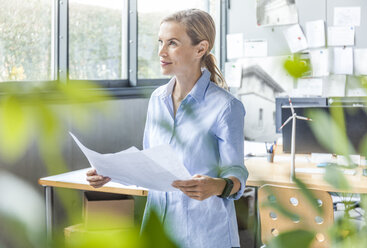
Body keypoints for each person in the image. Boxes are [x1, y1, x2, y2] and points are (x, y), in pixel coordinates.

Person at [86, 9, 248, 248]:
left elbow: (237, 174)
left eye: (172, 43)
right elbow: (149, 164)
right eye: (160, 42)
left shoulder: (226, 107)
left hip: (205, 235)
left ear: (200, 49)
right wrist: (112, 173)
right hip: (159, 231)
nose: (161, 52)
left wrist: (216, 185)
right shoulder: (157, 99)